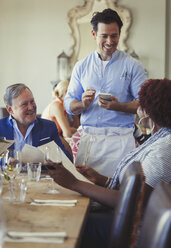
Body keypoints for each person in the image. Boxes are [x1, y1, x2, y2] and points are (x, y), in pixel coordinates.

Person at [46, 78, 171, 248]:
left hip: (133, 231)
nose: (138, 109)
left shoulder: (164, 150)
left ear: (150, 110)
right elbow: (135, 190)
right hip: (123, 218)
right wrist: (101, 179)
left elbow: (134, 202)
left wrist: (74, 183)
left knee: (66, 223)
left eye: (140, 104)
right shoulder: (159, 138)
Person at [64, 8, 147, 177]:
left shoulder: (133, 66)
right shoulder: (81, 66)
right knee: (85, 196)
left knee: (117, 196)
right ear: (94, 34)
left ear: (120, 34)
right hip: (90, 143)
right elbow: (68, 104)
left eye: (114, 35)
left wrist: (119, 106)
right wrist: (82, 104)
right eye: (104, 36)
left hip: (121, 143)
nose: (110, 41)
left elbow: (145, 104)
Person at [0, 83, 72, 161]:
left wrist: (46, 160)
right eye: (24, 104)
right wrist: (6, 162)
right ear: (10, 109)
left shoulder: (48, 127)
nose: (31, 107)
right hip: (9, 173)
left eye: (32, 101)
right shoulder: (1, 128)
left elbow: (67, 160)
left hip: (41, 173)